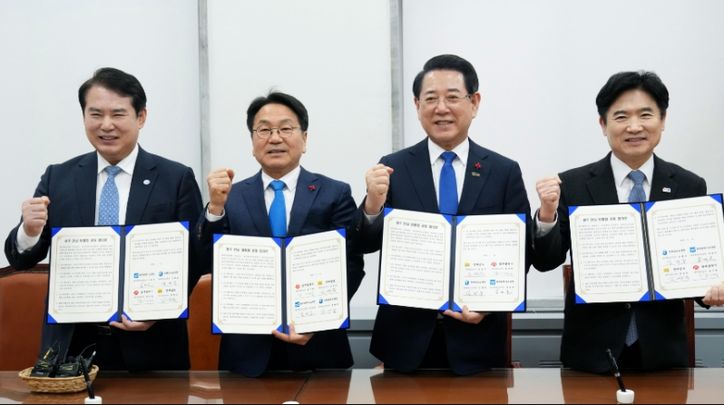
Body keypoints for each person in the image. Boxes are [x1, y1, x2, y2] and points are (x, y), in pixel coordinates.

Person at [4, 67, 203, 371]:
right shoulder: (58, 177)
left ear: (141, 117)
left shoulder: (175, 178)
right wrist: (29, 231)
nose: (106, 125)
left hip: (151, 345)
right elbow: (21, 259)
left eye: (118, 114)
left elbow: (195, 257)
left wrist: (161, 310)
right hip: (72, 345)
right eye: (95, 114)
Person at [352, 54, 538, 375]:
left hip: (478, 340)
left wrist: (488, 306)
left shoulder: (503, 171)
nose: (441, 108)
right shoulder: (393, 167)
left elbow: (522, 252)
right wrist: (372, 205)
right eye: (430, 99)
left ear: (474, 103)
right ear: (417, 105)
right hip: (404, 343)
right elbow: (364, 243)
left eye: (452, 97)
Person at [534, 70, 722, 373]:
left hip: (662, 353)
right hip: (591, 353)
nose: (634, 127)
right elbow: (546, 261)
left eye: (645, 115)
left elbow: (693, 268)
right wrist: (547, 214)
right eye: (621, 117)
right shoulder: (574, 184)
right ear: (603, 124)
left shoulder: (689, 185)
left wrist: (713, 289)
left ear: (663, 120)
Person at [195, 91, 365, 377]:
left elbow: (351, 265)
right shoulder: (229, 198)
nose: (275, 138)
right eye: (264, 130)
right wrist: (214, 208)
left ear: (305, 139)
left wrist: (317, 321)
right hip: (247, 354)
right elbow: (204, 262)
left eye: (286, 129)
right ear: (252, 142)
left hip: (318, 349)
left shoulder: (334, 193)